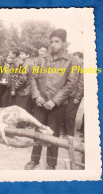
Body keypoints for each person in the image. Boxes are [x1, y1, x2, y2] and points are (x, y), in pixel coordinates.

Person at [25, 29, 79, 170]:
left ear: (64, 43)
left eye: (57, 42)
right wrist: (36, 96)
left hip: (57, 105)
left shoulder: (72, 61)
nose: (53, 45)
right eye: (51, 41)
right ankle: (34, 160)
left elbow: (70, 84)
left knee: (53, 134)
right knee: (38, 132)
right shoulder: (41, 59)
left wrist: (54, 101)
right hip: (40, 103)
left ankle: (51, 164)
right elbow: (33, 79)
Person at [64, 52, 84, 137]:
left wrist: (77, 97)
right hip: (69, 94)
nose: (74, 60)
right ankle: (67, 132)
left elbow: (81, 83)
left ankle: (70, 134)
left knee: (70, 115)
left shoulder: (82, 68)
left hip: (75, 95)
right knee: (66, 114)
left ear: (81, 59)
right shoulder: (73, 67)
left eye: (76, 58)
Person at [10, 46, 35, 113]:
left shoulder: (26, 64)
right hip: (30, 91)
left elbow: (22, 79)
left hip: (24, 91)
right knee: (27, 110)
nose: (20, 56)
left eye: (22, 54)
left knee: (21, 111)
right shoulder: (33, 62)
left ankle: (22, 123)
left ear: (28, 55)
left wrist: (14, 86)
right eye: (20, 54)